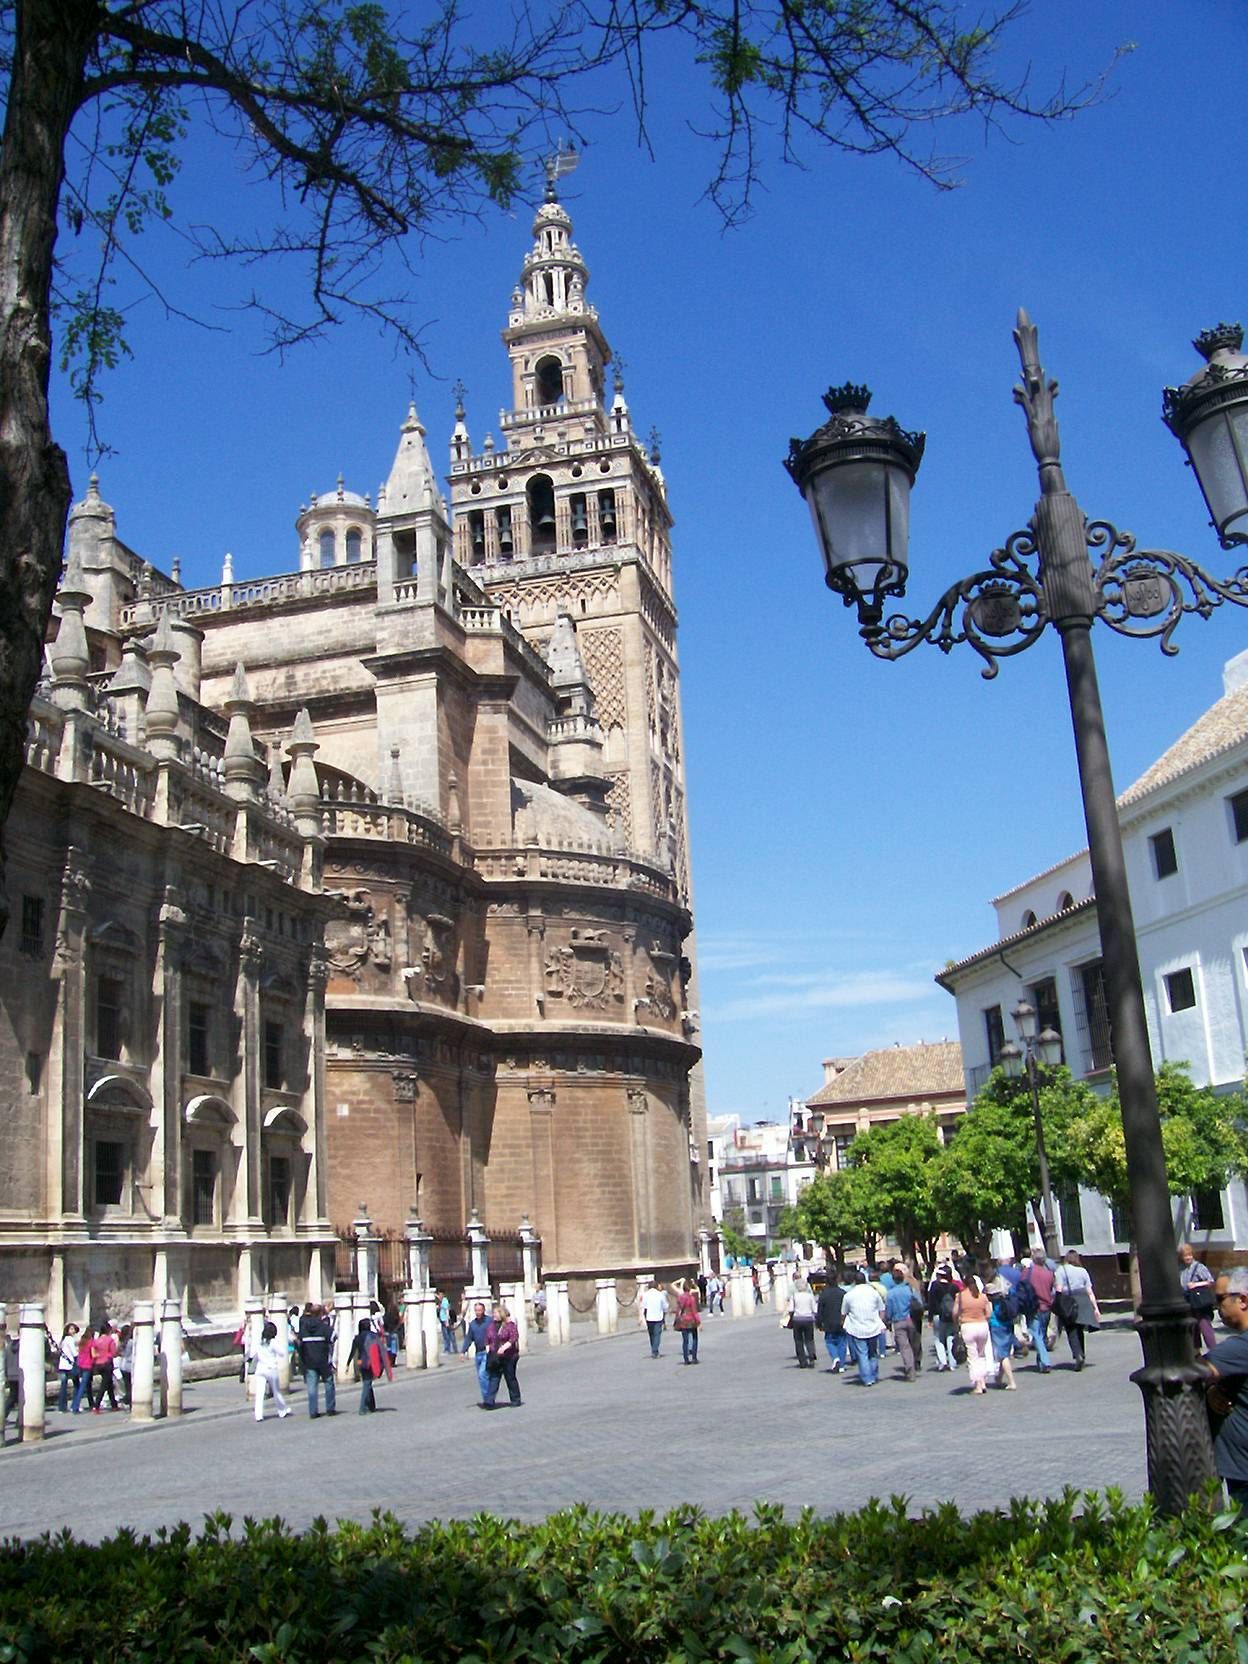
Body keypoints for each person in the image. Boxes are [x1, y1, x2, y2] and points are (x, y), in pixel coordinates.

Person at [1206, 1268, 1248, 1511]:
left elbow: (1191, 1372)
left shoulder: (1239, 1348)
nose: (1216, 1307)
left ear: (1242, 1300)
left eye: (1220, 1299)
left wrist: (1209, 1387)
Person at [1053, 1250, 1100, 1369]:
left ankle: (1077, 1354)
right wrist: (1095, 1308)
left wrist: (1057, 1305)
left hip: (1067, 1300)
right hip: (1082, 1300)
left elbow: (1058, 1289)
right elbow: (1090, 1291)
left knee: (1070, 1329)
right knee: (1079, 1328)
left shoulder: (1060, 1270)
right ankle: (1081, 1354)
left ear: (1066, 1258)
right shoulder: (1083, 1271)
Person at [842, 1270, 886, 1387]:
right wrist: (880, 1321)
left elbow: (844, 1312)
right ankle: (873, 1375)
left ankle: (867, 1378)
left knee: (862, 1354)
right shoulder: (873, 1293)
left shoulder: (849, 1295)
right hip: (873, 1326)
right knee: (872, 1353)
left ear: (854, 1281)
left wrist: (844, 1323)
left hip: (857, 1328)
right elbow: (882, 1309)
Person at [955, 1273, 993, 1396]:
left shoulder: (960, 1296)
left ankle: (978, 1385)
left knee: (972, 1357)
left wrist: (959, 1320)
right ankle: (983, 1382)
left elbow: (955, 1312)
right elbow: (989, 1313)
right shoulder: (982, 1296)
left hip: (968, 1325)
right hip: (982, 1325)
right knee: (981, 1355)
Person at [1017, 1254, 1056, 1372]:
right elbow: (1052, 1290)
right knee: (1042, 1334)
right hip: (1047, 1307)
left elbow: (1020, 1286)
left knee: (1037, 1335)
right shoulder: (1049, 1274)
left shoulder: (1027, 1273)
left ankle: (1045, 1361)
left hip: (1033, 1307)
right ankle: (1041, 1363)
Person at [298, 1302, 337, 1417]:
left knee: (312, 1387)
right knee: (329, 1383)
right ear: (320, 1314)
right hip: (324, 1360)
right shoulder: (324, 1326)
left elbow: (300, 1342)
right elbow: (334, 1337)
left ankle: (313, 1411)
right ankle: (330, 1408)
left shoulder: (304, 1327)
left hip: (309, 1360)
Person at [481, 1303, 521, 1409]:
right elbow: (487, 1339)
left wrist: (504, 1348)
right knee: (494, 1378)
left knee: (510, 1377)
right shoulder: (491, 1326)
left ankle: (515, 1399)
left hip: (509, 1356)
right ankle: (489, 1401)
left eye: (495, 1313)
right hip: (495, 1356)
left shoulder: (510, 1325)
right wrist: (488, 1349)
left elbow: (513, 1338)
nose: (493, 1315)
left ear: (501, 1314)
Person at [1179, 1243, 1218, 1353]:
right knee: (1193, 1327)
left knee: (1204, 1326)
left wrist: (1196, 1285)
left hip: (1199, 1302)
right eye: (1185, 1255)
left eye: (1190, 1255)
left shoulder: (1198, 1267)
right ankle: (1196, 1353)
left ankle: (1214, 1352)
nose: (1188, 1257)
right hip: (1188, 1301)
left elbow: (1210, 1281)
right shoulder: (1181, 1269)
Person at [347, 1317, 391, 1414]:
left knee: (367, 1383)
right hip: (372, 1362)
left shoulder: (357, 1337)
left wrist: (348, 1363)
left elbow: (353, 1351)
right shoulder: (374, 1336)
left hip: (362, 1363)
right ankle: (362, 1407)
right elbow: (381, 1351)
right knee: (367, 1384)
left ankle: (371, 1405)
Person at [883, 1263, 919, 1381]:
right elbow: (919, 1303)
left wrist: (887, 1320)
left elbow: (888, 1310)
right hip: (911, 1320)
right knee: (913, 1344)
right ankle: (915, 1363)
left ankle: (910, 1370)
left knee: (904, 1347)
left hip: (898, 1322)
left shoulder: (891, 1294)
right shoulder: (909, 1290)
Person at [250, 1320, 292, 1421]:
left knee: (259, 1393)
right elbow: (282, 1353)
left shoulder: (259, 1341)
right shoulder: (273, 1342)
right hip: (271, 1368)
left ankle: (258, 1415)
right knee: (276, 1391)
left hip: (260, 1368)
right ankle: (282, 1410)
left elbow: (252, 1354)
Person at [986, 1275, 1018, 1390]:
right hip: (1008, 1324)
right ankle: (999, 1378)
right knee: (1004, 1352)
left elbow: (989, 1313)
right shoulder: (1006, 1295)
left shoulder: (992, 1300)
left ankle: (1011, 1381)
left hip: (997, 1326)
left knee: (1002, 1355)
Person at [927, 1267, 958, 1372]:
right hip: (951, 1316)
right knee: (950, 1337)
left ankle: (942, 1361)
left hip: (938, 1315)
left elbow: (931, 1303)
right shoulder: (954, 1287)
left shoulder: (935, 1286)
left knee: (939, 1339)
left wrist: (929, 1318)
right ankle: (952, 1362)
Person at [816, 1272, 849, 1373]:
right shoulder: (842, 1293)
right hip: (841, 1321)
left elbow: (820, 1310)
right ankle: (842, 1365)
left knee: (830, 1342)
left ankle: (835, 1357)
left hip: (828, 1322)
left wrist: (819, 1323)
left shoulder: (823, 1294)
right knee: (842, 1343)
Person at [461, 1300, 493, 1402]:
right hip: (478, 1353)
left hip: (487, 1352)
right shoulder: (473, 1324)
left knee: (482, 1374)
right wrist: (463, 1351)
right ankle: (487, 1397)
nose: (478, 1312)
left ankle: (488, 1399)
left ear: (484, 1310)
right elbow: (468, 1338)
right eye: (476, 1311)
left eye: (480, 1310)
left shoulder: (490, 1321)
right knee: (482, 1377)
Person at [787, 1276, 818, 1368]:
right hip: (808, 1319)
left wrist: (791, 1318)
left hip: (797, 1319)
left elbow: (791, 1309)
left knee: (798, 1341)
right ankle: (811, 1355)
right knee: (809, 1339)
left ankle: (802, 1361)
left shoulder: (794, 1296)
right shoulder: (810, 1296)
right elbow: (815, 1309)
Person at [89, 1322, 119, 1413]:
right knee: (104, 1385)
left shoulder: (97, 1340)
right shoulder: (110, 1340)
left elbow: (93, 1352)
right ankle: (96, 1405)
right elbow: (114, 1353)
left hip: (98, 1364)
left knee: (109, 1384)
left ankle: (114, 1404)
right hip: (107, 1363)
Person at [672, 1279, 701, 1365]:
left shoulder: (679, 1298)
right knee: (695, 1339)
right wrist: (699, 1321)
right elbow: (694, 1311)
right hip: (691, 1320)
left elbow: (678, 1310)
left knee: (685, 1340)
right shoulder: (691, 1298)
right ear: (689, 1288)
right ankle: (694, 1358)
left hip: (683, 1321)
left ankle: (686, 1359)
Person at [55, 1323, 80, 1414]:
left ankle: (62, 1406)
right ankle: (75, 1405)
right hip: (70, 1365)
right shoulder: (69, 1339)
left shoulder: (63, 1340)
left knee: (63, 1386)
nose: (73, 1331)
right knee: (77, 1385)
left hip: (62, 1365)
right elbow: (74, 1353)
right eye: (71, 1329)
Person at [71, 1326, 96, 1413]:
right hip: (88, 1365)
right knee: (83, 1386)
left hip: (80, 1364)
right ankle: (75, 1407)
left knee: (87, 1385)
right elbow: (93, 1355)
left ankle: (91, 1403)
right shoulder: (91, 1342)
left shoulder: (82, 1342)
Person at [640, 1280, 668, 1357]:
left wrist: (644, 1317)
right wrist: (665, 1314)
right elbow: (665, 1306)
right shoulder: (660, 1295)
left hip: (649, 1317)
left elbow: (644, 1306)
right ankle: (655, 1350)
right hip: (658, 1316)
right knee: (657, 1334)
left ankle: (653, 1348)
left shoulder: (645, 1295)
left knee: (651, 1334)